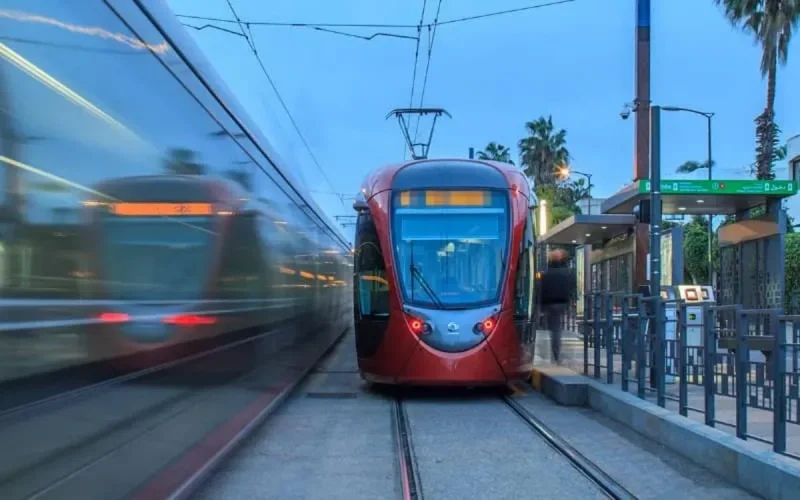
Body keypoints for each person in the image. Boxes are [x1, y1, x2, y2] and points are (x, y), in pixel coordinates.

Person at [539, 249, 575, 364]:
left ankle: (553, 354)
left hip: (549, 304)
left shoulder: (546, 273)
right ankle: (556, 354)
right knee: (556, 329)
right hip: (562, 303)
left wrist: (541, 306)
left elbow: (541, 290)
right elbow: (571, 288)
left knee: (553, 329)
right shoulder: (568, 272)